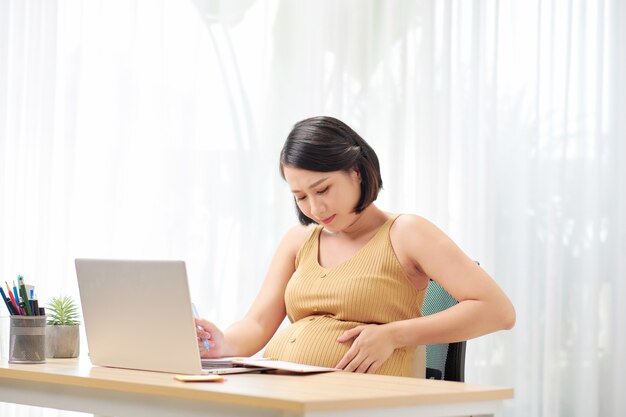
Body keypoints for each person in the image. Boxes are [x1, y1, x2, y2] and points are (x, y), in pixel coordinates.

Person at [195, 116, 515, 377]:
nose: (316, 209)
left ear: (356, 172)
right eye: (301, 197)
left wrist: (393, 335)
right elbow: (258, 323)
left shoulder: (406, 232)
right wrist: (223, 343)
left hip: (361, 404)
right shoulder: (299, 240)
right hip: (282, 398)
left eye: (323, 189)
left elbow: (498, 311)